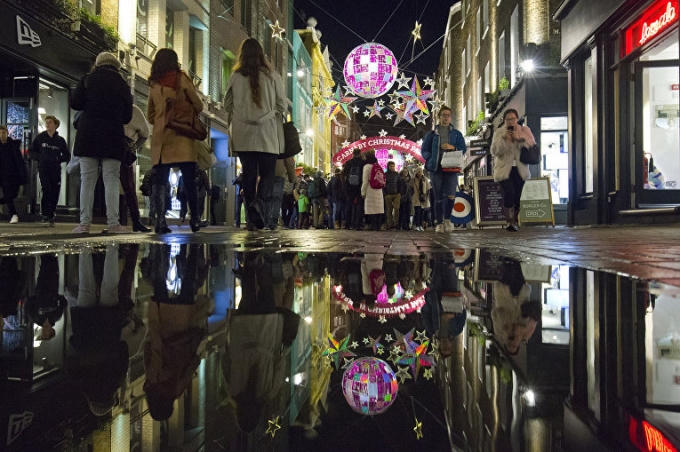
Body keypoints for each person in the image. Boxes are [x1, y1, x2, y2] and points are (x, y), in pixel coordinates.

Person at [225, 38, 286, 231]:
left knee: (249, 174)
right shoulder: (273, 76)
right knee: (267, 175)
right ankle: (258, 205)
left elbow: (227, 104)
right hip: (267, 133)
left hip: (243, 133)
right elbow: (282, 105)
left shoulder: (235, 77)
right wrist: (270, 113)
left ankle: (252, 218)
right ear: (261, 54)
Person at [70, 52, 132, 234]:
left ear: (97, 64)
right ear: (116, 66)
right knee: (111, 180)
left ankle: (84, 224)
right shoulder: (122, 85)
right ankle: (113, 224)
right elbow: (127, 116)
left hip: (88, 136)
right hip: (112, 137)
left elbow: (75, 103)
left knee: (87, 180)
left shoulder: (87, 79)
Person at [148, 48, 204, 233]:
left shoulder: (154, 84)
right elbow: (199, 105)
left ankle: (160, 221)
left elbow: (150, 115)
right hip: (183, 135)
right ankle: (195, 219)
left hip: (161, 138)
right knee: (189, 180)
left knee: (160, 180)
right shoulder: (182, 79)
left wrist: (161, 120)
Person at [421, 106, 467, 232]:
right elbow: (424, 150)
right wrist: (430, 158)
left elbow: (463, 148)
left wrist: (453, 147)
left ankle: (447, 219)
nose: (446, 118)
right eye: (443, 115)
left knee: (451, 195)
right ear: (439, 117)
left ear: (450, 117)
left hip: (451, 167)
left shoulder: (456, 134)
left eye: (448, 115)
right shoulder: (431, 134)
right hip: (436, 168)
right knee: (438, 196)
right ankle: (439, 223)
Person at [490, 108, 535, 231]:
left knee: (517, 196)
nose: (511, 121)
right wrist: (505, 140)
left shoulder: (525, 130)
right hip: (504, 170)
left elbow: (532, 145)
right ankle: (509, 221)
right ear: (504, 120)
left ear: (517, 119)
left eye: (513, 119)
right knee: (509, 192)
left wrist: (519, 138)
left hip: (520, 169)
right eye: (508, 119)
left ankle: (515, 219)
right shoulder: (499, 132)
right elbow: (494, 151)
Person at [29, 115, 70, 226]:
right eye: (46, 122)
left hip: (55, 169)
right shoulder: (40, 138)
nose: (47, 124)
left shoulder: (60, 140)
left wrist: (58, 159)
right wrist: (41, 158)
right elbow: (31, 152)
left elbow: (67, 155)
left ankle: (52, 214)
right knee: (46, 189)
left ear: (55, 125)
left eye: (50, 122)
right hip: (44, 169)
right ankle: (45, 214)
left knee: (55, 191)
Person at [122, 104, 151, 232]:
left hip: (124, 147)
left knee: (128, 186)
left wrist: (133, 147)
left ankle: (135, 220)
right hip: (111, 145)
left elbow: (145, 133)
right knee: (114, 184)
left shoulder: (133, 110)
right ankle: (114, 220)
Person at [0, 125, 28, 224]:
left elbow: (19, 161)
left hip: (13, 175)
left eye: (3, 133)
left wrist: (23, 175)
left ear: (7, 133)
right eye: (0, 133)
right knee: (8, 194)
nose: (1, 135)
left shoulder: (13, 146)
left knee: (13, 195)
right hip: (2, 175)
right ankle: (14, 214)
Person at [267, 157, 296, 230]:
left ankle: (268, 221)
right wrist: (292, 177)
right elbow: (289, 160)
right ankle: (273, 221)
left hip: (267, 173)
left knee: (268, 198)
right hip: (278, 174)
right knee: (276, 199)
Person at [360, 149, 384, 231]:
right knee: (378, 209)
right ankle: (378, 226)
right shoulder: (378, 165)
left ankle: (372, 225)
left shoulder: (366, 167)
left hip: (370, 190)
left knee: (371, 210)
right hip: (379, 190)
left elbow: (365, 181)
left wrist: (363, 192)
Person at [343, 148, 365, 230]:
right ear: (360, 154)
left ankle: (347, 224)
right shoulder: (362, 163)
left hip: (349, 187)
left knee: (349, 205)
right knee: (359, 206)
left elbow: (344, 174)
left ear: (353, 154)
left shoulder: (348, 162)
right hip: (359, 186)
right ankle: (358, 224)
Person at [382, 161, 401, 230]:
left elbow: (399, 183)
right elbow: (383, 184)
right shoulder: (385, 174)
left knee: (397, 209)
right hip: (388, 194)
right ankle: (390, 224)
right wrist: (385, 194)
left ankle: (396, 223)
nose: (392, 167)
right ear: (388, 166)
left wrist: (399, 192)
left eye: (393, 166)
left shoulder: (397, 174)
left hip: (396, 194)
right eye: (391, 166)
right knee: (389, 210)